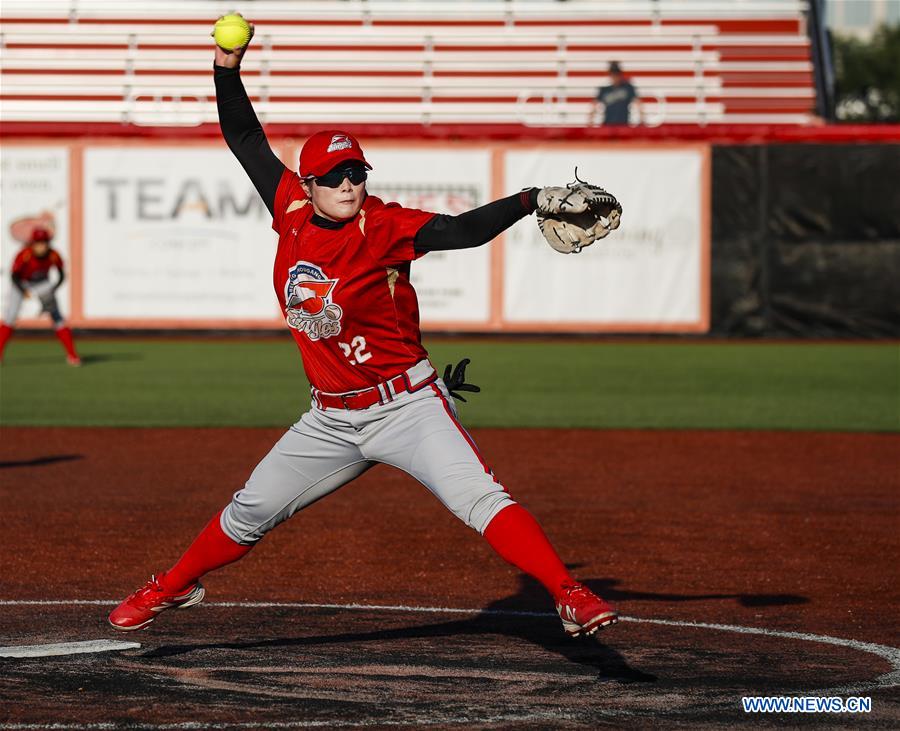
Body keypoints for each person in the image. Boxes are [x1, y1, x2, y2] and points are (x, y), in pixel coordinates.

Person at [108, 17, 619, 640]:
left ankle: (569, 594)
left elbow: (458, 231)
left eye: (357, 172)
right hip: (329, 418)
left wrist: (527, 199)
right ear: (309, 184)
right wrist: (226, 65)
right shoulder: (290, 208)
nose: (349, 184)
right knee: (250, 512)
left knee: (481, 500)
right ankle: (172, 585)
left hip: (407, 405)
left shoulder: (382, 227)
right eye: (335, 176)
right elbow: (243, 134)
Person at [0, 221, 81, 366]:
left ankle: (72, 355)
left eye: (44, 242)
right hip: (21, 283)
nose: (41, 245)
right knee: (10, 317)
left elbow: (61, 275)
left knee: (58, 318)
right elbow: (14, 276)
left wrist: (52, 290)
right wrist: (23, 291)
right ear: (32, 243)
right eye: (38, 242)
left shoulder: (53, 255)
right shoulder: (24, 254)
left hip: (42, 283)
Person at [590, 61, 642, 127]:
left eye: (617, 74)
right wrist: (591, 121)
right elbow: (594, 104)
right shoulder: (604, 90)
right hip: (607, 125)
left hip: (623, 125)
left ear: (620, 75)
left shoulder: (628, 88)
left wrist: (641, 119)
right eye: (613, 74)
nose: (615, 77)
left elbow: (638, 102)